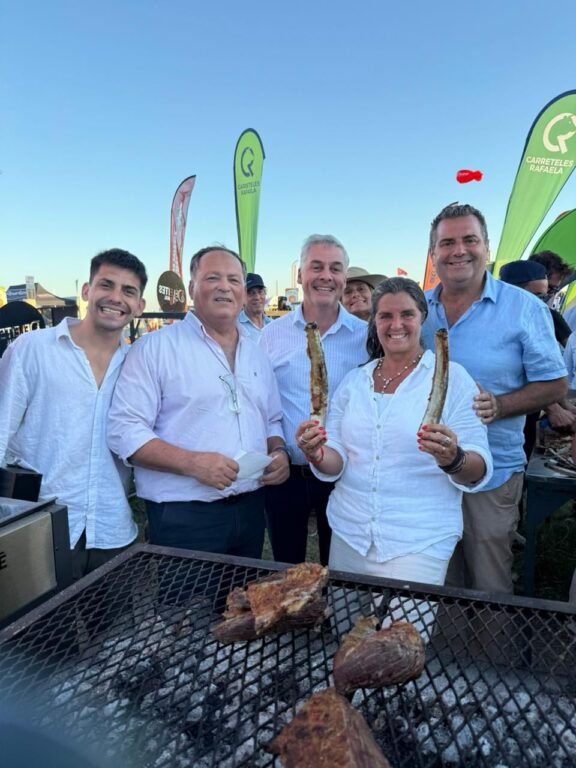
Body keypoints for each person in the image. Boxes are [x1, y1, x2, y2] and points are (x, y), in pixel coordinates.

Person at [296, 278, 492, 587]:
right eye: (385, 315)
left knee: (401, 635)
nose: (395, 324)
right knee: (347, 631)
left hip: (417, 541)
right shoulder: (354, 382)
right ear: (374, 322)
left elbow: (478, 467)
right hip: (350, 532)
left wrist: (453, 458)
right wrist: (316, 453)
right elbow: (336, 460)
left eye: (407, 314)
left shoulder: (453, 378)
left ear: (422, 318)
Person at [107, 246, 289, 558]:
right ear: (192, 287)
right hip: (183, 514)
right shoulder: (156, 349)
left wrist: (279, 451)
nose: (224, 286)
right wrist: (192, 464)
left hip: (250, 508)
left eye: (233, 279)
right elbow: (124, 431)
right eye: (212, 277)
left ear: (243, 293)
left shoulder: (257, 352)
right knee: (189, 608)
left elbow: (270, 419)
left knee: (242, 605)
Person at [423, 203, 568, 594]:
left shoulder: (523, 308)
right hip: (426, 470)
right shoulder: (418, 309)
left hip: (493, 469)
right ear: (433, 252)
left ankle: (490, 655)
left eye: (469, 240)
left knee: (489, 581)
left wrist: (501, 405)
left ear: (486, 248)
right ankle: (446, 655)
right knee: (439, 576)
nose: (458, 250)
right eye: (447, 242)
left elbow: (555, 384)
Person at [0, 248, 148, 580]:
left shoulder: (139, 364)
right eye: (106, 285)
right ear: (86, 291)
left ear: (139, 305)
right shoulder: (31, 351)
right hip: (39, 530)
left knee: (116, 633)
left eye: (128, 291)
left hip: (112, 528)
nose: (115, 297)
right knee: (42, 632)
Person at [260, 235, 369, 565]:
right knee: (287, 568)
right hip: (287, 474)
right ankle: (294, 619)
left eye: (335, 268)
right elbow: (262, 404)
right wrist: (276, 448)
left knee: (340, 569)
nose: (326, 275)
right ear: (299, 275)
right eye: (316, 266)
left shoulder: (365, 337)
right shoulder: (271, 335)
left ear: (344, 278)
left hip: (345, 474)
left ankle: (335, 618)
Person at [499, 260, 576, 455]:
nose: (542, 302)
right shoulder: (495, 324)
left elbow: (546, 370)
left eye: (547, 295)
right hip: (500, 420)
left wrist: (565, 405)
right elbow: (517, 372)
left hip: (528, 416)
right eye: (537, 295)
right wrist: (553, 409)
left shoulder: (545, 316)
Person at [238, 272, 272, 341]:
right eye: (251, 293)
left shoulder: (272, 325)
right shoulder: (234, 327)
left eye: (260, 292)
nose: (257, 297)